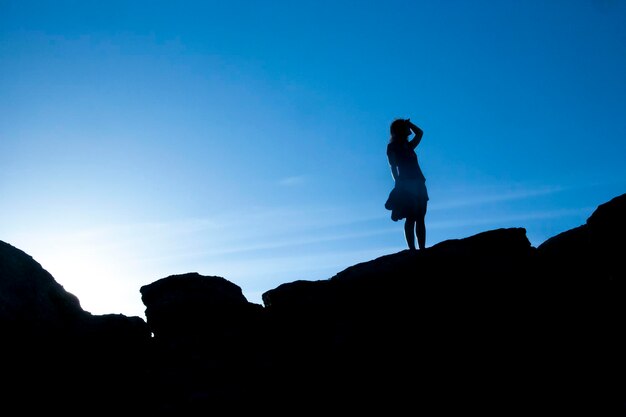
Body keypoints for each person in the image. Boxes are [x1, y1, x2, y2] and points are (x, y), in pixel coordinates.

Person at [385, 118, 429, 250]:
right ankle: (412, 249)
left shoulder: (408, 146)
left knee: (421, 216)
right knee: (411, 217)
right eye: (405, 127)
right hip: (407, 184)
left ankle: (421, 249)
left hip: (419, 182)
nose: (409, 130)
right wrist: (398, 182)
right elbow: (393, 167)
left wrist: (409, 124)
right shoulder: (392, 147)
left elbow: (420, 133)